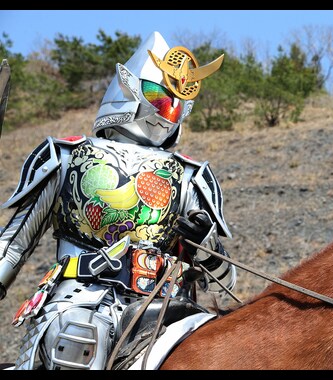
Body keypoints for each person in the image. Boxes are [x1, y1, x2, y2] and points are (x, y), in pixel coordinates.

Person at [0, 31, 236, 370]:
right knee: (78, 339)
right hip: (78, 302)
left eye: (175, 104)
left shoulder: (190, 177)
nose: (165, 111)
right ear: (127, 87)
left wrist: (205, 245)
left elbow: (224, 285)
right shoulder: (67, 156)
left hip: (164, 313)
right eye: (157, 96)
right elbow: (13, 245)